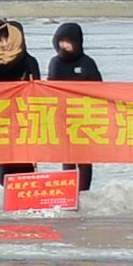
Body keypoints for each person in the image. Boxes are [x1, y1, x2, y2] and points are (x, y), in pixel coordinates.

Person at [0, 19, 38, 182]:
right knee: (6, 165)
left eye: (8, 38)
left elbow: (38, 90)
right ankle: (5, 193)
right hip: (1, 121)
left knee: (26, 163)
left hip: (24, 120)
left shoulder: (29, 62)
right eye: (1, 38)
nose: (5, 43)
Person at [48, 21, 101, 193]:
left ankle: (84, 192)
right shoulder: (55, 63)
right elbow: (49, 89)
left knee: (84, 158)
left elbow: (100, 89)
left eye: (67, 41)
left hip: (84, 118)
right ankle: (69, 191)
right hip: (63, 118)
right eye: (61, 41)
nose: (64, 45)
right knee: (67, 156)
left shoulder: (87, 63)